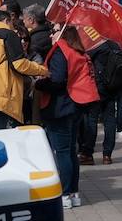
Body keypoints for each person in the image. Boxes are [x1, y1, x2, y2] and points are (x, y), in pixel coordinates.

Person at [37, 25, 99, 209]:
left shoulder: (61, 51)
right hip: (76, 105)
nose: (51, 34)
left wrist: (39, 84)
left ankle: (64, 194)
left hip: (60, 107)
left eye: (55, 31)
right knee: (71, 150)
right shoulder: (79, 52)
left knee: (63, 152)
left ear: (62, 34)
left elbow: (56, 80)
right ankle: (73, 193)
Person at [83, 36, 122, 165]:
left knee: (92, 119)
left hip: (98, 87)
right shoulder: (116, 45)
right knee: (110, 120)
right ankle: (107, 155)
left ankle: (88, 154)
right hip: (112, 87)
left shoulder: (96, 46)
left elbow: (84, 59)